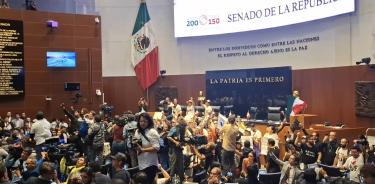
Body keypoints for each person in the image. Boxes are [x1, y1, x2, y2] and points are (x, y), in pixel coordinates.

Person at [134, 113, 160, 184]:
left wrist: (143, 150)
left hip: (150, 164)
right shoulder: (137, 131)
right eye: (141, 121)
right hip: (141, 162)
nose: (142, 123)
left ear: (149, 122)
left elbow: (157, 147)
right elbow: (136, 143)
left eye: (145, 121)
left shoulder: (152, 132)